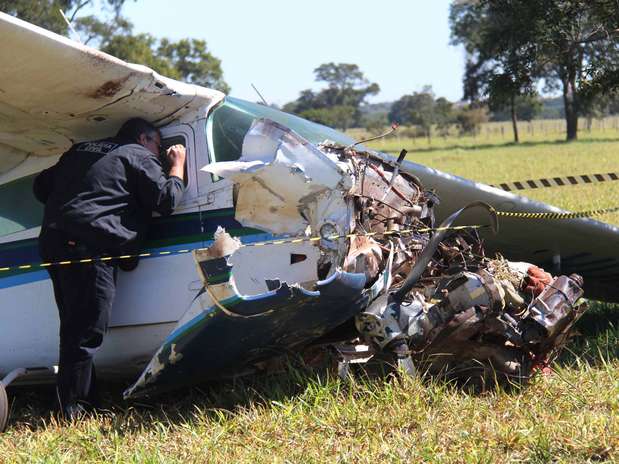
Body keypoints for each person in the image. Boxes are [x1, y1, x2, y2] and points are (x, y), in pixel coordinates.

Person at [33, 118, 186, 419]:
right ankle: (70, 411)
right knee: (86, 330)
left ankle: (85, 401)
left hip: (53, 242)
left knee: (75, 326)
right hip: (89, 245)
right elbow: (166, 199)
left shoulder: (80, 150)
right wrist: (177, 164)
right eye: (159, 146)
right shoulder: (137, 154)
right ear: (144, 139)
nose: (160, 154)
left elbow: (40, 187)